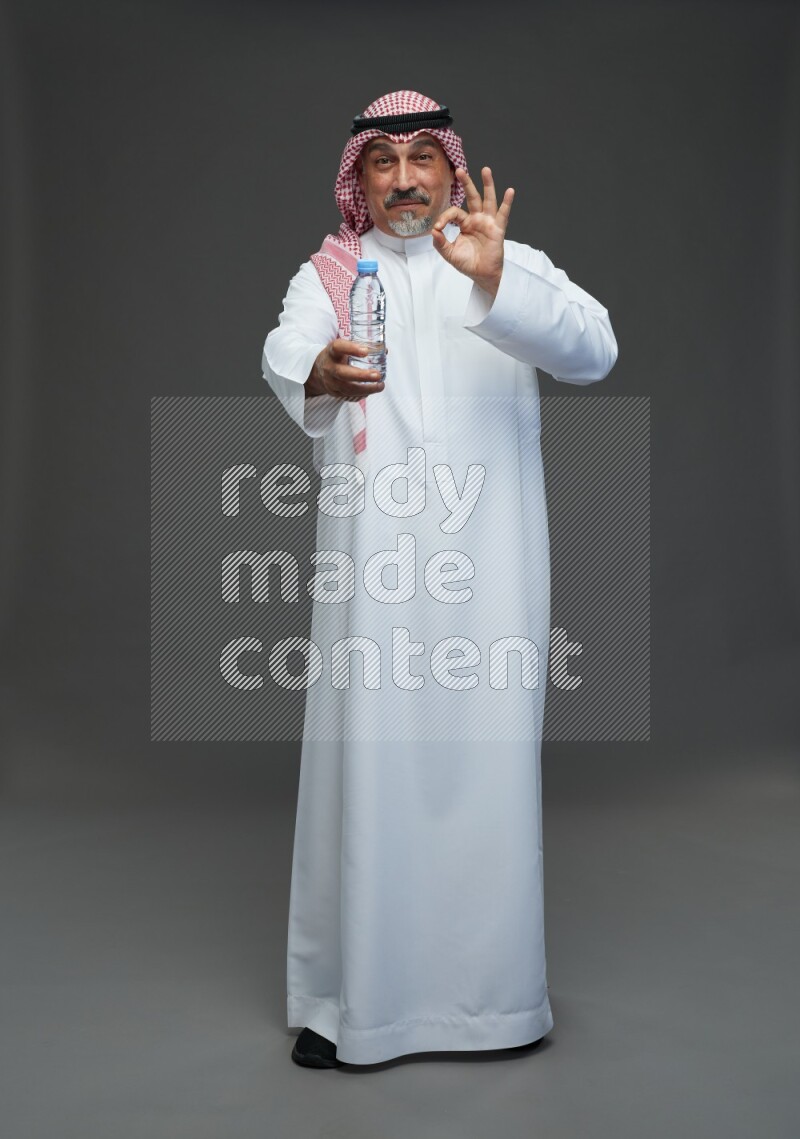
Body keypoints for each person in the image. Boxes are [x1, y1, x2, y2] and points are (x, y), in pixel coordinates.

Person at [262, 90, 618, 1069]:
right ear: (358, 178)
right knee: (363, 763)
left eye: (424, 156)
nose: (407, 177)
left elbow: (593, 349)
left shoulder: (503, 260)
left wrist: (500, 279)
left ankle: (493, 1005)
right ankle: (351, 1004)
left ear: (451, 169)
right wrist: (321, 372)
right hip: (371, 574)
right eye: (384, 160)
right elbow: (288, 348)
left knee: (483, 772)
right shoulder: (330, 273)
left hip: (490, 577)